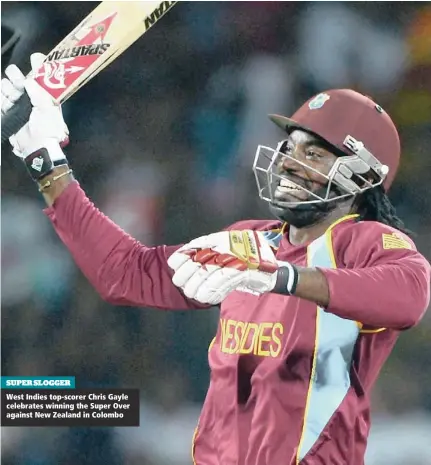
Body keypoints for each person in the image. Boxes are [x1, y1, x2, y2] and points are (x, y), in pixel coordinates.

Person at [2, 54, 430, 465]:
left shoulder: (367, 241)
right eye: (291, 147)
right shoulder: (247, 239)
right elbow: (127, 274)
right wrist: (48, 165)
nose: (289, 162)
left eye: (314, 154)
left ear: (362, 176)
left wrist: (279, 277)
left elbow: (409, 296)